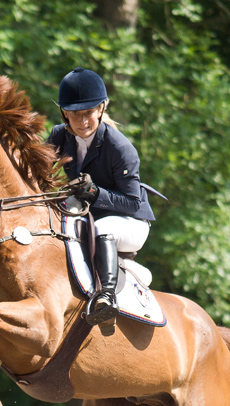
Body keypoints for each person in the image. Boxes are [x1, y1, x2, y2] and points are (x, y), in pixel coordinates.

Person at [46, 67, 156, 327]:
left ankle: (106, 298)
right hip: (88, 215)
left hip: (130, 222)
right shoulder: (59, 136)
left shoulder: (120, 148)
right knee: (60, 213)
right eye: (74, 115)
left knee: (103, 228)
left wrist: (95, 193)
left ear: (101, 110)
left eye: (88, 113)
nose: (82, 121)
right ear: (64, 114)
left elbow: (132, 203)